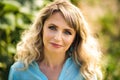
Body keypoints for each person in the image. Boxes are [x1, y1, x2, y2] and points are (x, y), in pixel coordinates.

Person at [8, 0, 103, 80]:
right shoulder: (19, 71)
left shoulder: (85, 72)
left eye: (67, 32)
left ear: (75, 38)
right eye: (52, 28)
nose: (57, 38)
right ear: (41, 29)